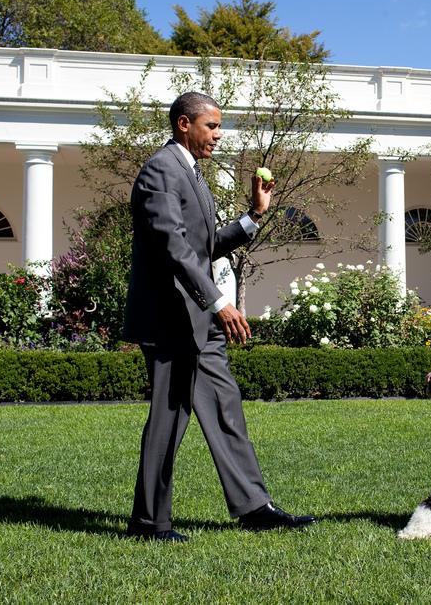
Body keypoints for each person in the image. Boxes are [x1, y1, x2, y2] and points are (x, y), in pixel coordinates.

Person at [123, 91, 315, 542]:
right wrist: (218, 301)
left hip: (200, 321)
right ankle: (149, 523)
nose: (218, 134)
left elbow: (204, 244)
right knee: (169, 418)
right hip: (171, 317)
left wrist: (253, 216)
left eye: (219, 126)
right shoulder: (160, 171)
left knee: (226, 407)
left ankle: (255, 507)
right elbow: (174, 246)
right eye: (212, 126)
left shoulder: (192, 175)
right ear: (184, 124)